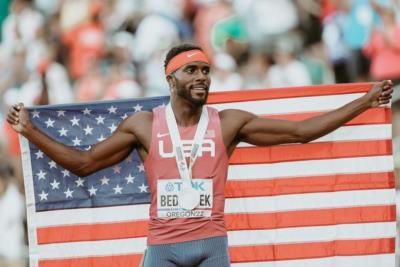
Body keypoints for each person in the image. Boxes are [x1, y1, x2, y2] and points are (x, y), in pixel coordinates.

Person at [6, 43, 393, 267]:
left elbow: (301, 132)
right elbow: (84, 163)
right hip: (162, 247)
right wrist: (30, 131)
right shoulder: (143, 125)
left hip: (211, 246)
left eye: (206, 70)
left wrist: (364, 102)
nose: (202, 77)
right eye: (191, 70)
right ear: (170, 78)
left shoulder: (227, 123)